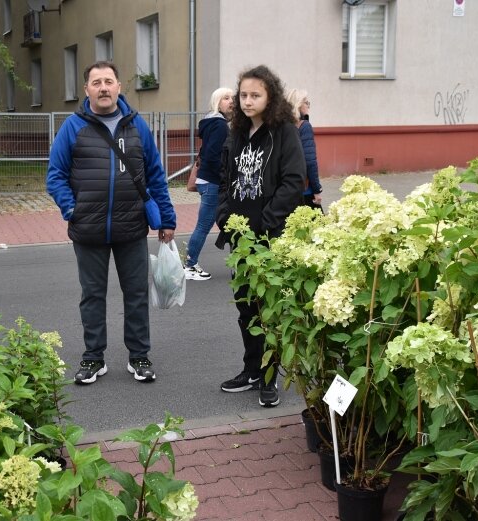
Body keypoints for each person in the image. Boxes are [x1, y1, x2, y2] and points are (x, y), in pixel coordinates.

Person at [47, 60, 176, 385]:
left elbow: (156, 175)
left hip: (131, 227)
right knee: (92, 296)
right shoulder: (72, 128)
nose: (103, 88)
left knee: (135, 294)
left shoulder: (137, 127)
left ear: (119, 87)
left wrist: (167, 218)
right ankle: (93, 359)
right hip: (87, 230)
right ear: (87, 90)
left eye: (109, 81)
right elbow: (55, 176)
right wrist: (71, 209)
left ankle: (139, 357)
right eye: (96, 82)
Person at [214, 65, 306, 407]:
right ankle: (251, 370)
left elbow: (294, 181)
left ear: (271, 98)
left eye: (256, 95)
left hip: (270, 236)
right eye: (243, 95)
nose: (248, 101)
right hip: (240, 238)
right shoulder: (236, 131)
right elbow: (225, 176)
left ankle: (270, 377)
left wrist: (267, 221)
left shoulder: (284, 132)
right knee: (245, 307)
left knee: (268, 308)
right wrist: (224, 214)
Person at [183, 87, 234, 281]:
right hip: (213, 181)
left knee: (215, 223)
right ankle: (189, 265)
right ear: (217, 102)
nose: (231, 101)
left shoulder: (211, 122)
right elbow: (213, 155)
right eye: (226, 98)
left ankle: (190, 264)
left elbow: (206, 153)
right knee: (205, 225)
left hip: (207, 180)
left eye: (232, 98)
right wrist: (223, 177)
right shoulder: (219, 125)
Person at [286, 88, 323, 211]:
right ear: (298, 104)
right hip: (305, 190)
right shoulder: (304, 126)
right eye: (306, 102)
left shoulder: (282, 127)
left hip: (286, 189)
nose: (308, 106)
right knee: (317, 228)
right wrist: (317, 190)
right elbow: (310, 161)